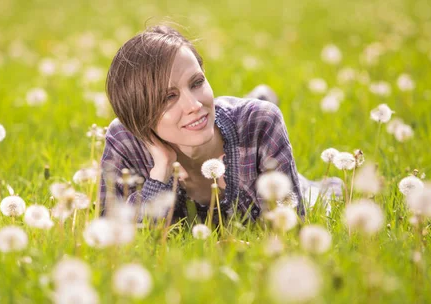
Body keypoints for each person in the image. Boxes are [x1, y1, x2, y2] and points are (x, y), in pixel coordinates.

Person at [99, 25, 341, 224]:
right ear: (138, 117)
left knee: (321, 195)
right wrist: (159, 173)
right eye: (168, 97)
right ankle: (256, 95)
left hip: (300, 182)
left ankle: (258, 99)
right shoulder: (124, 139)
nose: (194, 104)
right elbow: (112, 235)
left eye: (197, 82)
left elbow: (289, 222)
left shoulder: (261, 122)